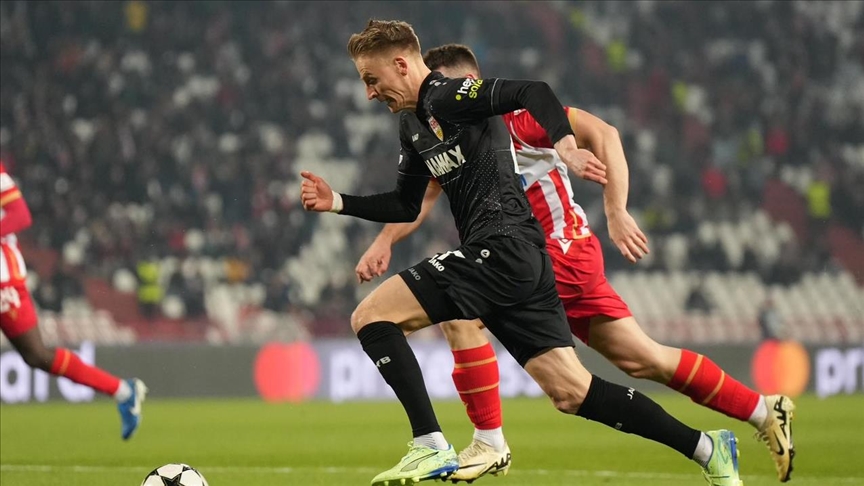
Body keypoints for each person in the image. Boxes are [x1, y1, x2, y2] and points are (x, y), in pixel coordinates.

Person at [301, 20, 741, 486]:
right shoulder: (412, 123)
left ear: (401, 64)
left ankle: (431, 443)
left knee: (371, 316)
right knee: (572, 392)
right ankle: (707, 448)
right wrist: (339, 202)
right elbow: (405, 204)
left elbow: (533, 91)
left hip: (502, 247)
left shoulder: (448, 95)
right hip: (519, 258)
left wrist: (566, 146)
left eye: (372, 79)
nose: (369, 93)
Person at [0, 161, 147, 440]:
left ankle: (123, 391)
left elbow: (20, 215)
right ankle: (123, 391)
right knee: (36, 355)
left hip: (4, 280)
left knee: (37, 355)